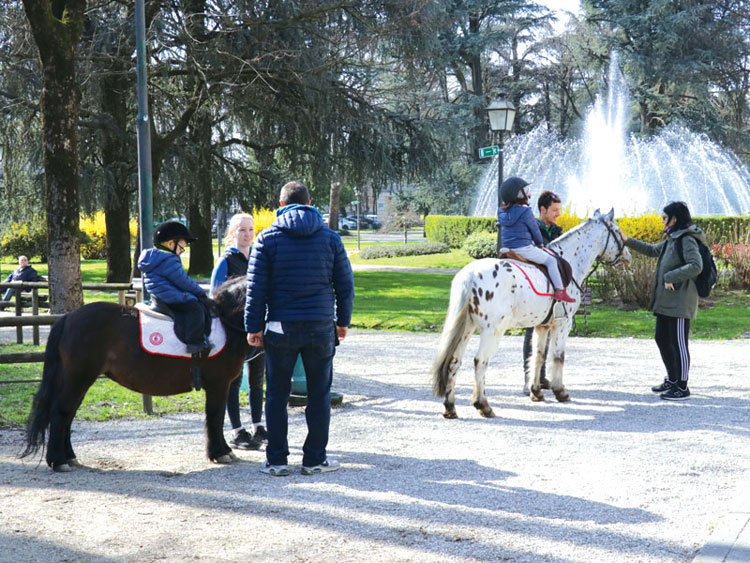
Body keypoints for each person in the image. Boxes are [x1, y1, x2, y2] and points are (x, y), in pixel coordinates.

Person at [245, 181, 354, 476]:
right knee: (319, 394)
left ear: (280, 206)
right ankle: (315, 459)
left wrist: (253, 327)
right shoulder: (331, 239)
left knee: (276, 395)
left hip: (280, 326)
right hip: (320, 325)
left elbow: (256, 289)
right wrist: (342, 322)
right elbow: (345, 286)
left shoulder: (267, 239)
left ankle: (277, 460)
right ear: (309, 204)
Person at [621, 201, 704, 401]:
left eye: (665, 217)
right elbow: (651, 250)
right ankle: (672, 380)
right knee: (662, 339)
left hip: (680, 302)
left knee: (679, 344)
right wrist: (626, 240)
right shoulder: (672, 239)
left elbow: (696, 265)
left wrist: (670, 276)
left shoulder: (686, 239)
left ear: (675, 219)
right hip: (666, 302)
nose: (662, 220)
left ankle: (682, 387)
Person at [210, 213, 266, 451]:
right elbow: (215, 295)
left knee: (257, 378)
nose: (247, 234)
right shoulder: (225, 261)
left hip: (257, 327)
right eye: (242, 230)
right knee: (234, 379)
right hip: (233, 333)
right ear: (232, 233)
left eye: (251, 229)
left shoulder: (258, 258)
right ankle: (237, 429)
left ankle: (258, 424)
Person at [138, 220, 213, 358]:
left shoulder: (153, 258)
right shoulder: (169, 260)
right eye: (181, 248)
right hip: (169, 296)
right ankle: (195, 343)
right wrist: (200, 292)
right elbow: (183, 282)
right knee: (195, 307)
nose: (180, 252)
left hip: (158, 295)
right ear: (171, 244)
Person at [497, 177, 575, 303]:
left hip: (506, 247)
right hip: (524, 248)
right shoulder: (525, 211)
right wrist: (540, 243)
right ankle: (560, 291)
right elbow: (535, 230)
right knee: (551, 261)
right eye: (525, 191)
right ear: (519, 194)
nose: (528, 193)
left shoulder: (501, 211)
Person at [522, 190, 564, 394]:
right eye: (555, 210)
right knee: (532, 330)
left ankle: (541, 375)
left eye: (559, 210)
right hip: (536, 287)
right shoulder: (533, 229)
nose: (558, 214)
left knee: (547, 330)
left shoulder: (557, 231)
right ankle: (528, 377)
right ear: (542, 210)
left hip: (551, 289)